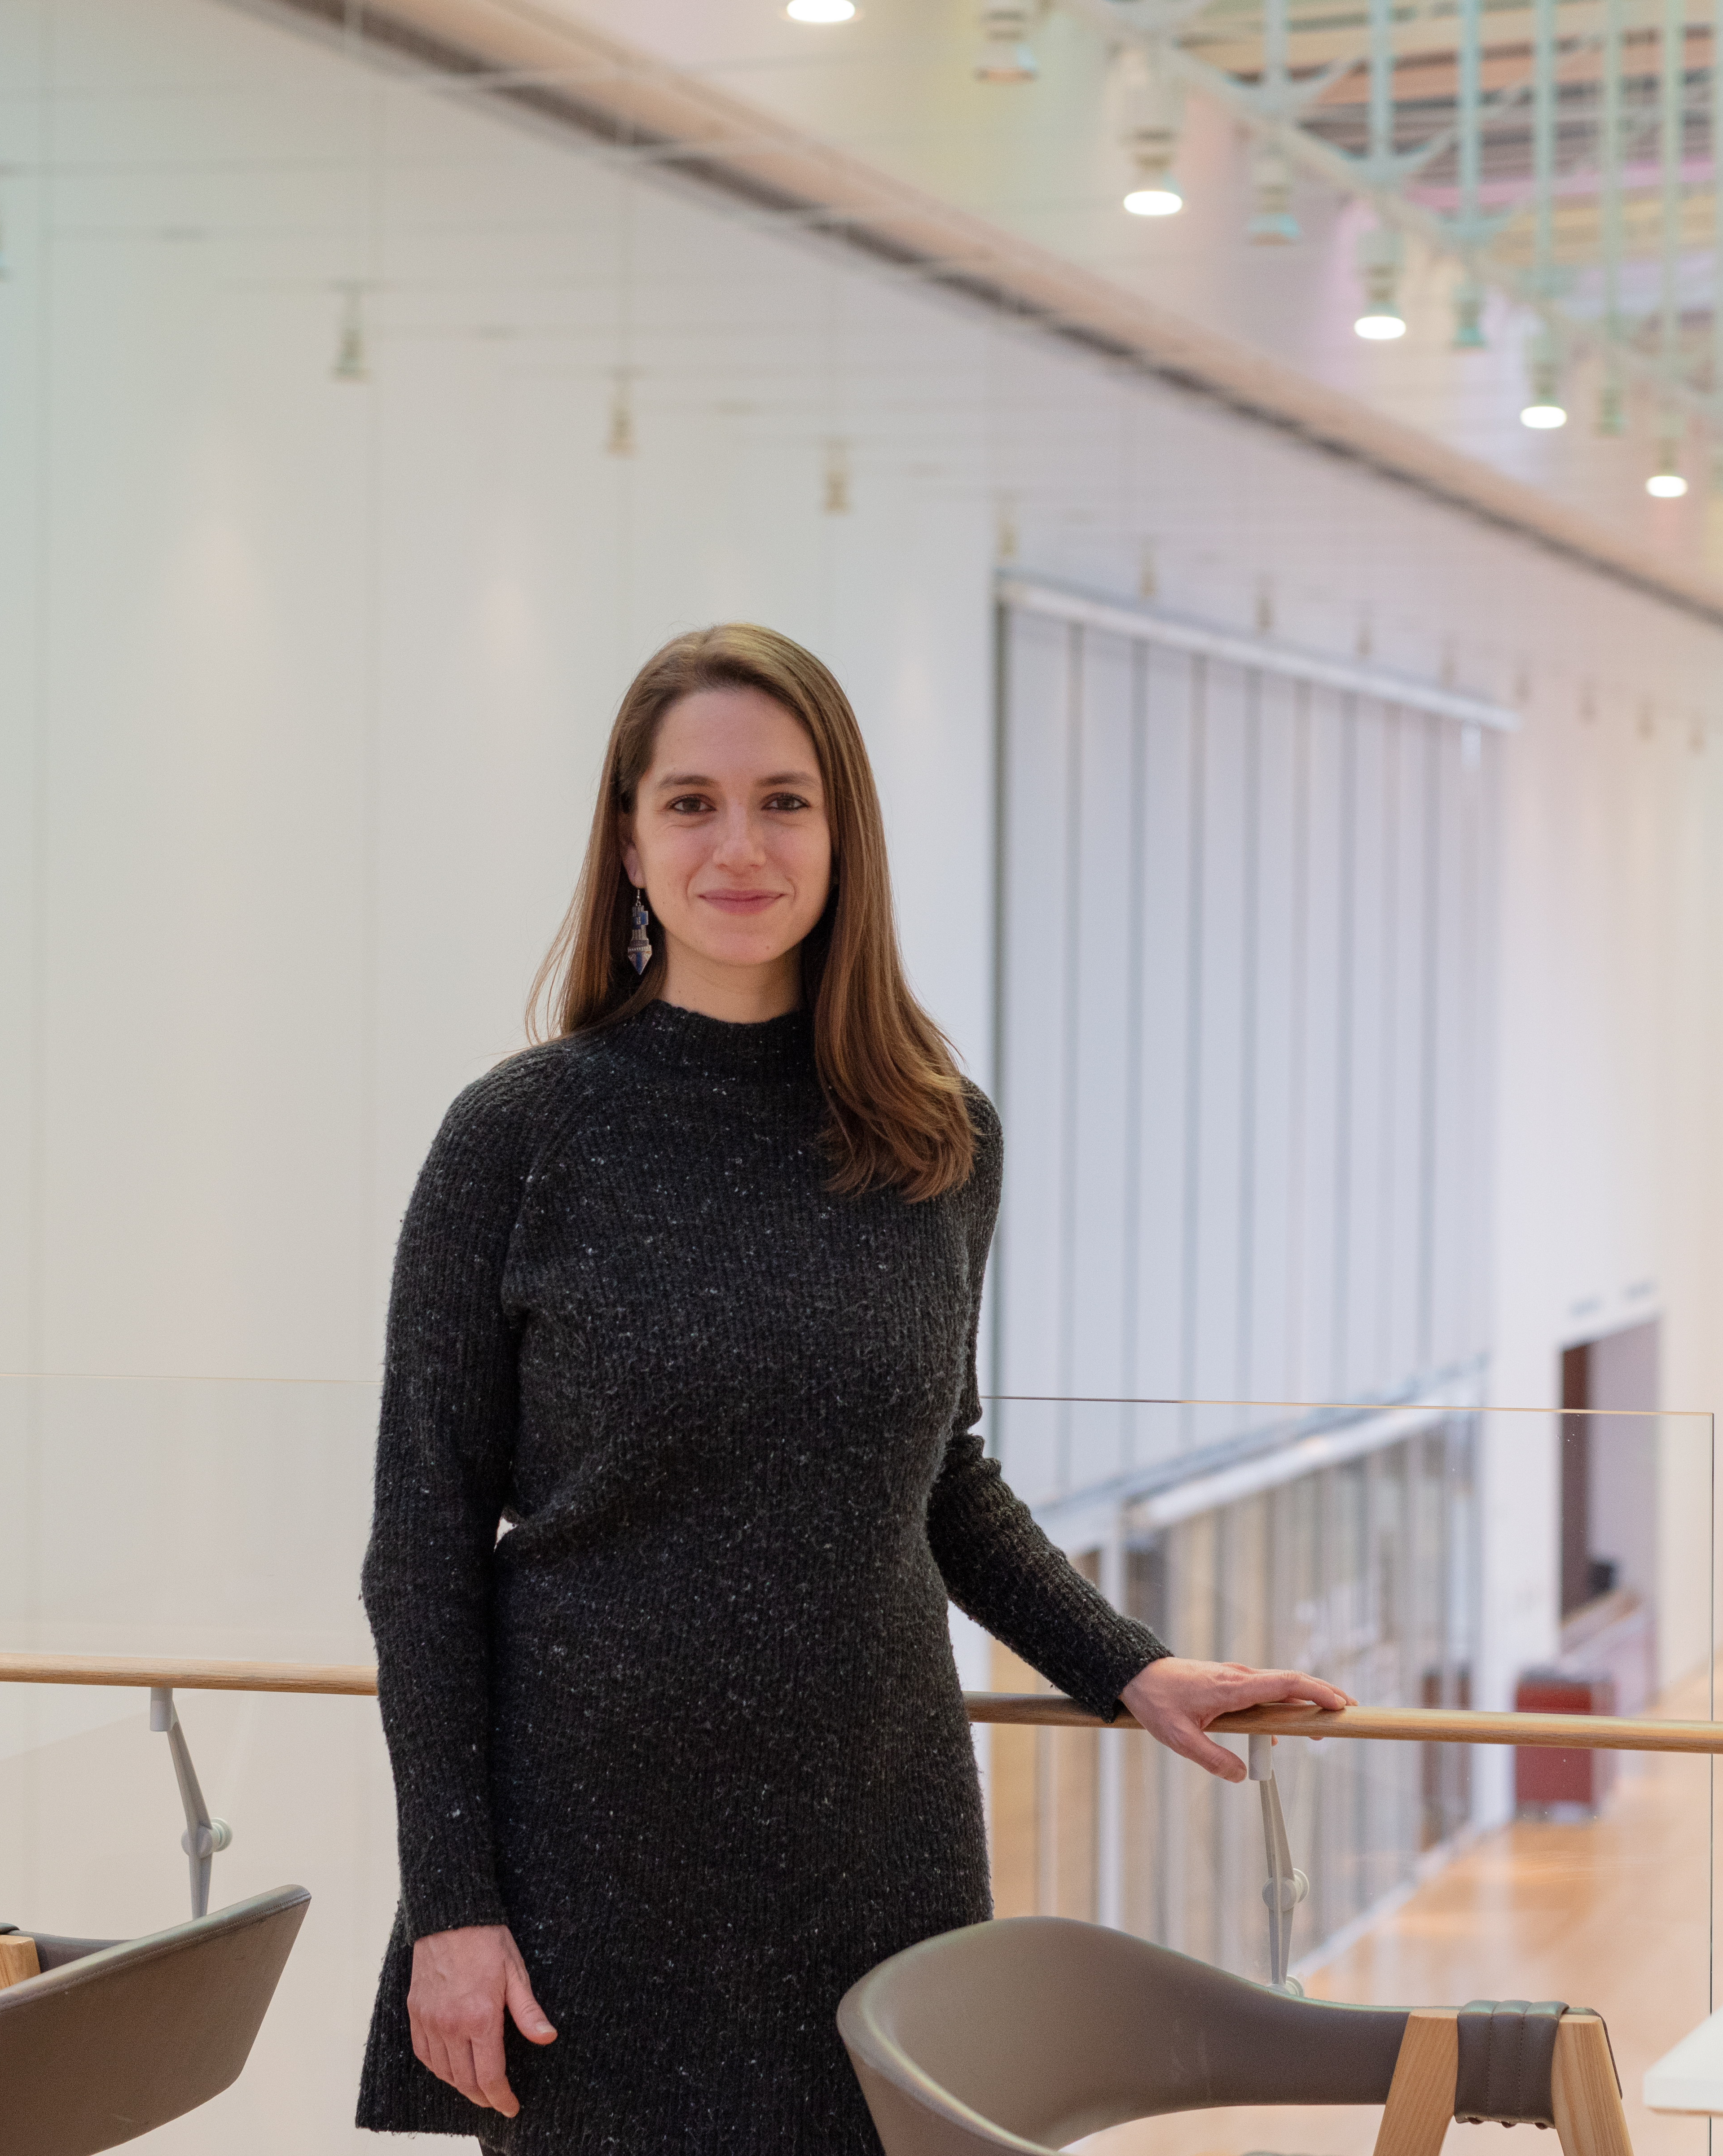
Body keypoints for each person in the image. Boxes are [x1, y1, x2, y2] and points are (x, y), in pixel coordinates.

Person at [357, 624, 1347, 2150]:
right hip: (590, 1866)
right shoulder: (519, 1137)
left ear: (843, 835)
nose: (739, 846)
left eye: (784, 801)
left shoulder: (939, 1136)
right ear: (627, 841)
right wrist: (452, 1904)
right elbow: (422, 1548)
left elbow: (941, 1474)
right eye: (691, 803)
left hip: (877, 1846)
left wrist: (1127, 1665)